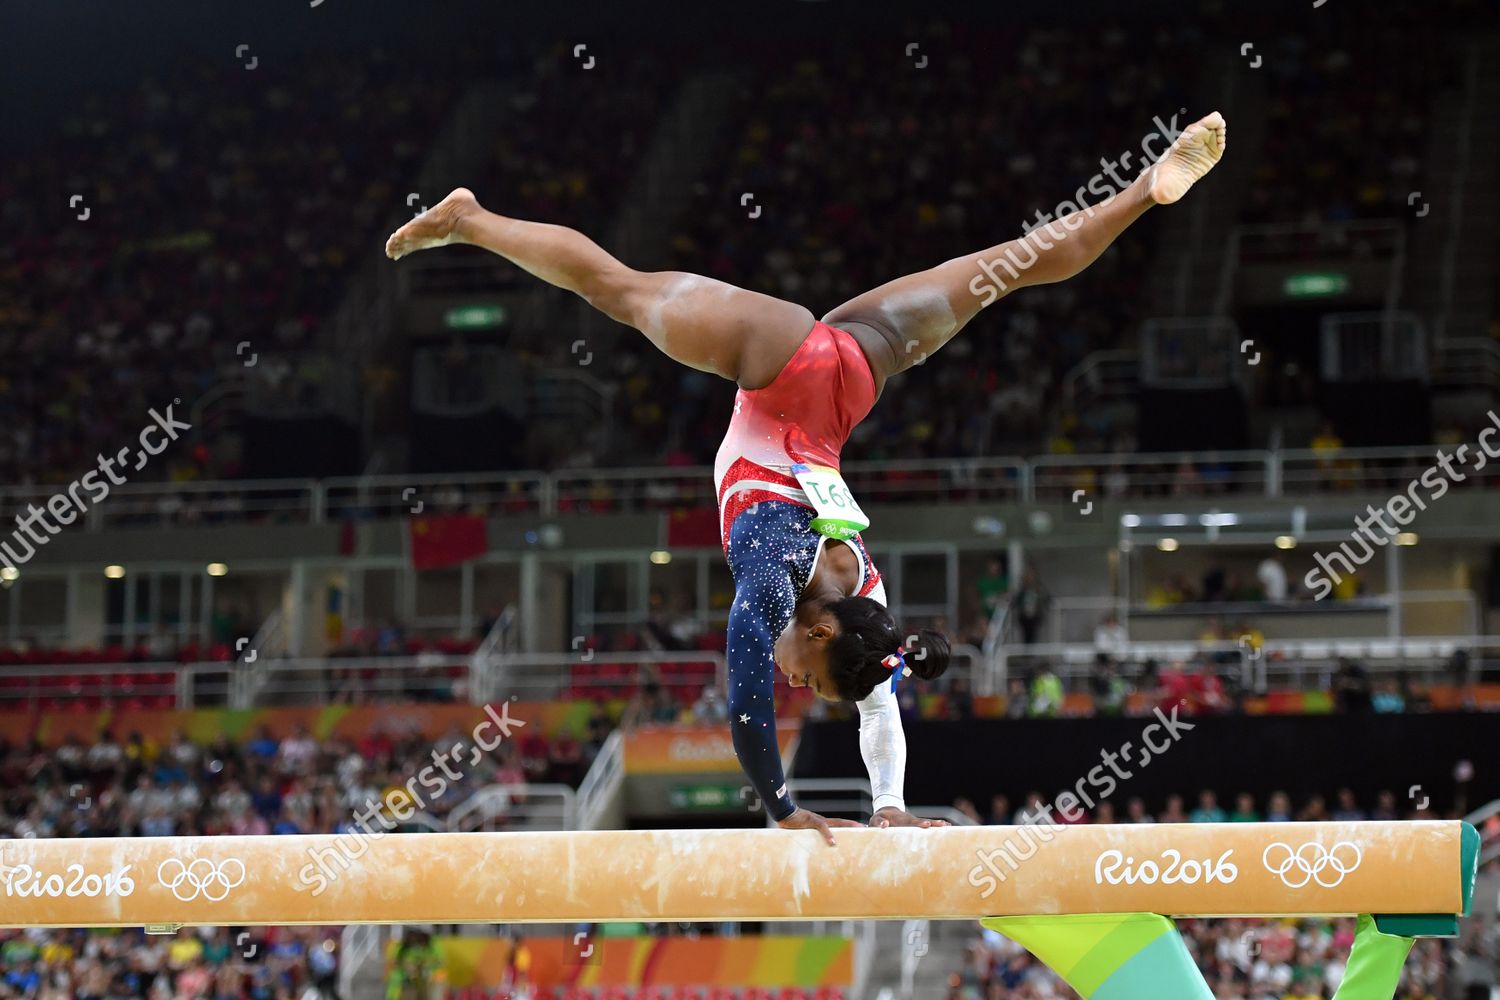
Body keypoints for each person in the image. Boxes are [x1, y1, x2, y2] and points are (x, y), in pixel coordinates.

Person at [386, 112, 1227, 842]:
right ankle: (473, 219)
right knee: (617, 289)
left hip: (853, 375)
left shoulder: (863, 584)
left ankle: (1143, 189)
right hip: (780, 364)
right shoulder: (775, 559)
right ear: (821, 635)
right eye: (809, 679)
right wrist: (781, 806)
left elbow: (875, 697)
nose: (797, 684)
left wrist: (890, 806)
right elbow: (746, 676)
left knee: (1012, 264)